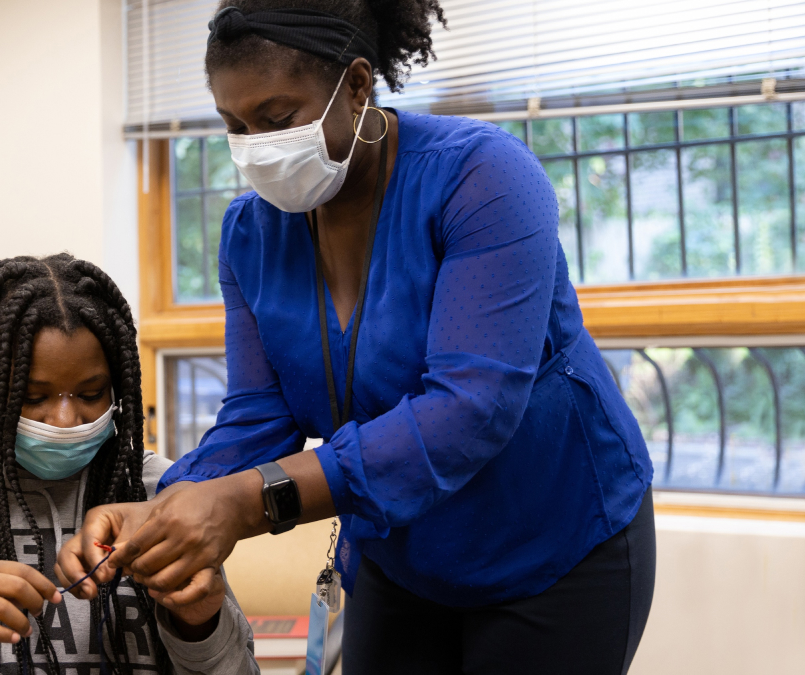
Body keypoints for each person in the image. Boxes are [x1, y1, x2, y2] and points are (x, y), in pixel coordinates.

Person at [57, 2, 656, 674]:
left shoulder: (483, 178)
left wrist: (245, 501)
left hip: (554, 545)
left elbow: (471, 409)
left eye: (277, 119)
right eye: (234, 126)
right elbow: (261, 411)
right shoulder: (251, 235)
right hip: (401, 555)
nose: (256, 144)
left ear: (358, 85)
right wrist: (160, 509)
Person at [0, 254, 258, 675]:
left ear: (119, 388)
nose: (65, 420)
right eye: (33, 396)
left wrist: (201, 625)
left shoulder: (163, 496)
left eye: (91, 392)